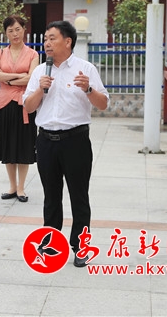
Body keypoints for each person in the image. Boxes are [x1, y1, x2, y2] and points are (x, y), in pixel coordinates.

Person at [23, 20, 109, 267]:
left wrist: (89, 89)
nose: (47, 43)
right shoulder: (41, 71)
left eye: (52, 38)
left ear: (68, 41)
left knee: (79, 197)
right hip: (46, 140)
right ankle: (51, 245)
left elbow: (103, 104)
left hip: (76, 141)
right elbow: (28, 106)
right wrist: (39, 90)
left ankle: (81, 247)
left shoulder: (85, 69)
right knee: (51, 197)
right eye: (45, 39)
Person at [0, 15, 39, 203]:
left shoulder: (33, 54)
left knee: (24, 145)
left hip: (25, 103)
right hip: (4, 104)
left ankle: (21, 187)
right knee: (8, 145)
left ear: (24, 30)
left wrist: (7, 79)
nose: (15, 34)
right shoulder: (0, 53)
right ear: (6, 33)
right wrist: (18, 76)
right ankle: (12, 186)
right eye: (10, 30)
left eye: (18, 29)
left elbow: (32, 78)